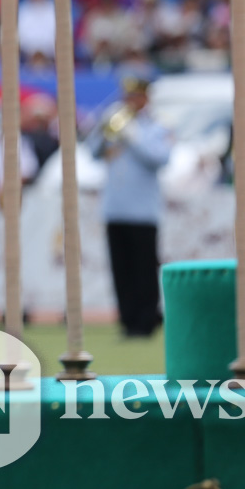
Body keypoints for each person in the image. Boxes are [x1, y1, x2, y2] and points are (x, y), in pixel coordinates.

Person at [91, 76, 172, 337]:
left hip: (143, 211)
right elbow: (92, 152)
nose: (131, 102)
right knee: (121, 268)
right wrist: (101, 130)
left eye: (136, 96)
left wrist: (133, 135)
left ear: (146, 98)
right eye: (128, 97)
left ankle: (147, 320)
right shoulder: (116, 122)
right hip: (115, 208)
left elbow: (160, 157)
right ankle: (127, 320)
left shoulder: (156, 126)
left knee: (144, 269)